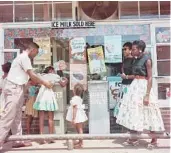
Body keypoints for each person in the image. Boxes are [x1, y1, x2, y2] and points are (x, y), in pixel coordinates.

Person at [0, 42, 53, 150]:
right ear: (32, 50)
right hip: (13, 88)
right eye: (36, 52)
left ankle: (17, 140)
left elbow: (28, 77)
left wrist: (33, 81)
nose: (36, 55)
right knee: (8, 115)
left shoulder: (22, 59)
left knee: (17, 116)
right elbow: (32, 75)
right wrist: (45, 83)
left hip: (18, 88)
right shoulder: (24, 58)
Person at [116, 40, 165, 148]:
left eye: (134, 49)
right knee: (134, 111)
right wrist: (127, 77)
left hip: (144, 87)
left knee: (149, 111)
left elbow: (150, 77)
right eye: (132, 49)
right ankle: (134, 137)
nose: (132, 51)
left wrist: (147, 94)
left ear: (140, 50)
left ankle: (154, 139)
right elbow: (134, 75)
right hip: (135, 86)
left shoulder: (147, 60)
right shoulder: (135, 59)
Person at [33, 66, 68, 144]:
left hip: (41, 96)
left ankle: (41, 137)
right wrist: (66, 79)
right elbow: (63, 84)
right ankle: (51, 137)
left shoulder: (42, 76)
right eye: (54, 70)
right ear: (51, 70)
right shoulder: (55, 76)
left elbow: (35, 82)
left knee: (41, 117)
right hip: (49, 96)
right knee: (50, 117)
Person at [113, 42, 134, 118]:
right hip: (124, 84)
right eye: (123, 49)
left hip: (130, 85)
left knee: (129, 105)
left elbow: (136, 75)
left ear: (131, 50)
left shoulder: (134, 61)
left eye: (125, 49)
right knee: (122, 105)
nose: (124, 51)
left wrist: (126, 77)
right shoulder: (124, 60)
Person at [66, 83, 88, 149]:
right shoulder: (78, 98)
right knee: (79, 129)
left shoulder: (74, 99)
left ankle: (81, 143)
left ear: (74, 91)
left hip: (77, 116)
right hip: (79, 115)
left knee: (80, 129)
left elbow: (75, 108)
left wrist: (73, 118)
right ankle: (80, 141)